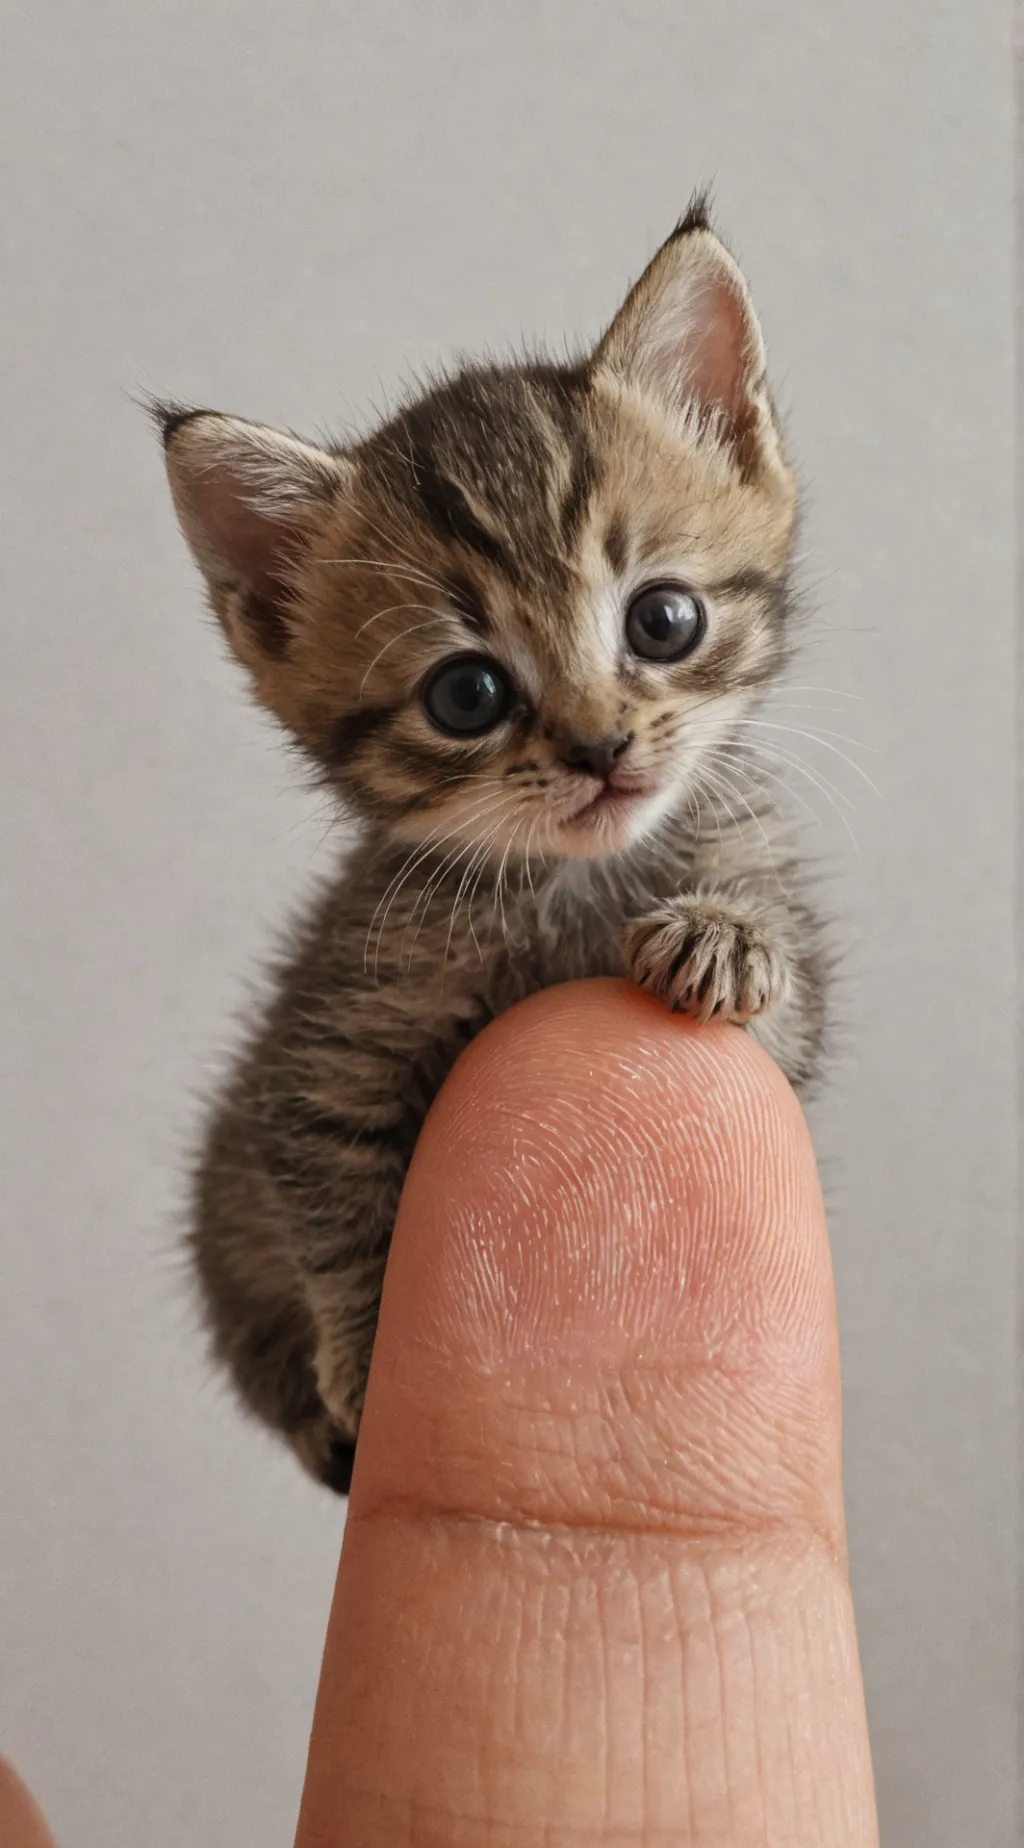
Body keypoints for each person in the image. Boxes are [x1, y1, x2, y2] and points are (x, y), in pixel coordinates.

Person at [2, 982, 878, 1846]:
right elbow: (319, 1116)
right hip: (389, 1350)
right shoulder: (407, 932)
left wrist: (741, 968)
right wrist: (352, 1342)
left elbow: (777, 1048)